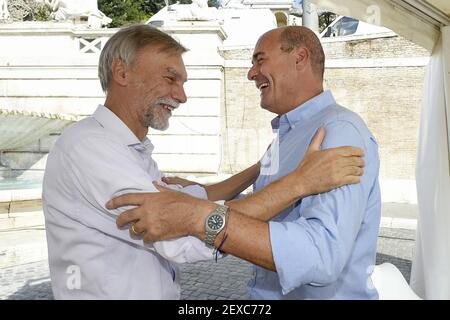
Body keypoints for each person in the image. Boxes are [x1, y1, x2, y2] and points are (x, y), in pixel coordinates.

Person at [43, 24, 364, 299]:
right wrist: (298, 183)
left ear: (300, 58)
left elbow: (194, 202)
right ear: (121, 72)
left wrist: (259, 169)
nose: (181, 96)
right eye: (171, 78)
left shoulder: (337, 130)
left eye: (259, 60)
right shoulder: (91, 147)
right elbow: (178, 233)